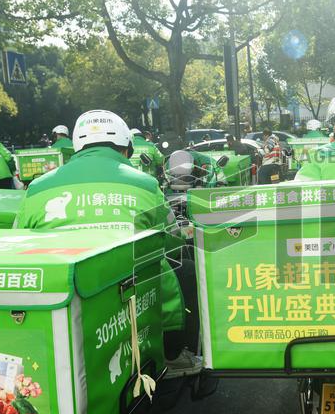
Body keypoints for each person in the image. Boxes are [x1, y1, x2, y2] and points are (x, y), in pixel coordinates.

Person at [15, 110, 200, 378]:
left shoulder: (37, 188)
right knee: (187, 268)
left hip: (60, 299)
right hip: (140, 300)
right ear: (126, 149)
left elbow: (16, 246)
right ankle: (174, 356)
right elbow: (173, 242)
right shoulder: (146, 185)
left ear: (76, 146)